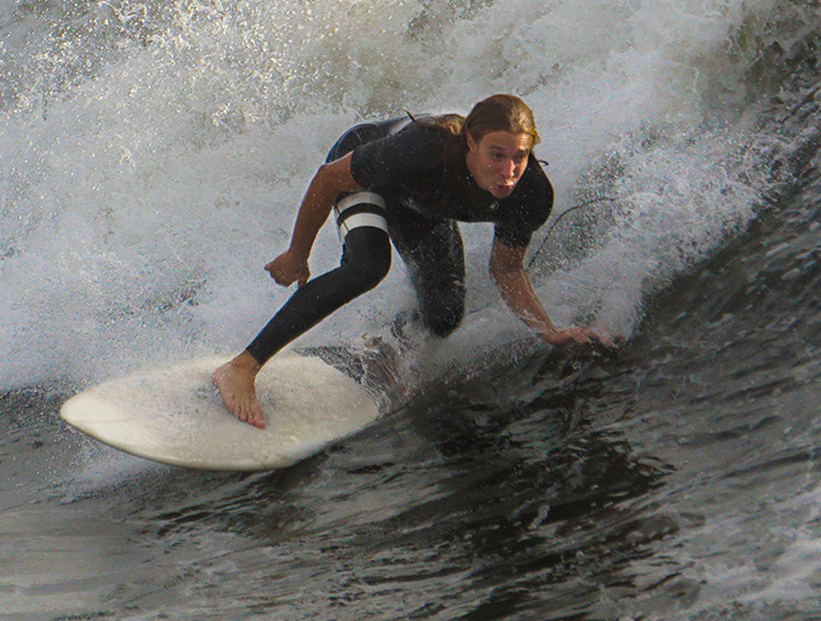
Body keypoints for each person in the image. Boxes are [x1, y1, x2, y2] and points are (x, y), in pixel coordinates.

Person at [212, 94, 613, 428]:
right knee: (367, 267)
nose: (508, 171)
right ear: (471, 143)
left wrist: (549, 331)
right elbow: (328, 178)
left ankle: (383, 347)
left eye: (519, 156)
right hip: (366, 176)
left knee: (443, 316)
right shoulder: (420, 152)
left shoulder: (531, 195)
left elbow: (506, 268)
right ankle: (242, 367)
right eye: (496, 155)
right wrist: (297, 254)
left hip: (420, 205)